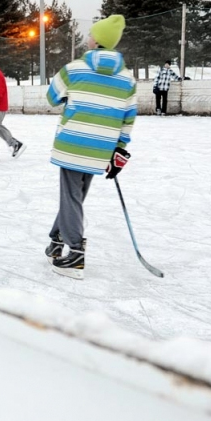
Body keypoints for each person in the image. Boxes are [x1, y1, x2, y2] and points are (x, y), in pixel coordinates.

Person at [44, 14, 137, 279]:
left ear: (97, 41)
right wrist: (120, 149)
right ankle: (57, 240)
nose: (87, 37)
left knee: (72, 196)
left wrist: (72, 96)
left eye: (91, 34)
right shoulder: (128, 79)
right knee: (75, 196)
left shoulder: (74, 69)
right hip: (101, 149)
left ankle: (74, 254)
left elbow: (52, 97)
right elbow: (128, 117)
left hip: (73, 144)